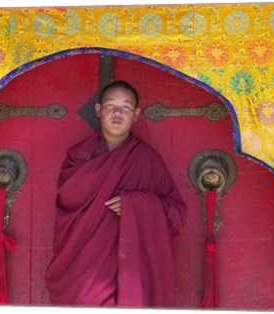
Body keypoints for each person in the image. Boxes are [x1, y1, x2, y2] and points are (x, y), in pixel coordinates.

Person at [44, 80, 187, 307]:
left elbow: (177, 214)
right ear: (99, 110)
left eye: (127, 107)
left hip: (129, 267)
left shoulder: (147, 160)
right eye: (111, 106)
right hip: (81, 269)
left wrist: (136, 206)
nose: (118, 113)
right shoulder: (77, 159)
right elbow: (68, 208)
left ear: (136, 114)